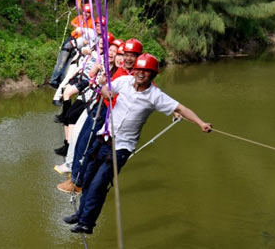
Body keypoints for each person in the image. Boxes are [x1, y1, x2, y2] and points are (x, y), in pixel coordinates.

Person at [62, 53, 212, 234]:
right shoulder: (124, 81)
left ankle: (87, 223)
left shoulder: (155, 96)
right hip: (103, 138)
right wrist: (105, 92)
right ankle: (80, 214)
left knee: (99, 183)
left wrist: (201, 123)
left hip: (121, 148)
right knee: (88, 179)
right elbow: (104, 89)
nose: (141, 73)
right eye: (139, 69)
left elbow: (181, 108)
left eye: (147, 71)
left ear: (153, 75)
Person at [56, 38, 143, 193]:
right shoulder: (119, 71)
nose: (122, 58)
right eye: (122, 54)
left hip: (107, 113)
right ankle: (76, 178)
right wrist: (101, 81)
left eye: (127, 55)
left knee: (88, 147)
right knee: (82, 142)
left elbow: (150, 90)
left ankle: (78, 181)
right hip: (98, 106)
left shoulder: (131, 75)